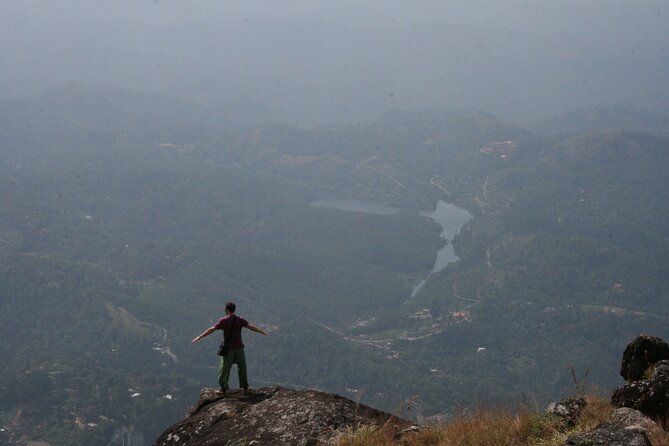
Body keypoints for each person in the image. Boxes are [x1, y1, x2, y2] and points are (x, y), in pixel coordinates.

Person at [192, 302, 267, 393]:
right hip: (239, 348)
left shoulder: (224, 321)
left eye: (225, 309)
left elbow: (211, 329)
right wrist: (261, 331)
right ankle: (245, 387)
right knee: (242, 367)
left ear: (227, 309)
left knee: (224, 369)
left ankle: (224, 388)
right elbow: (251, 327)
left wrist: (200, 337)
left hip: (229, 349)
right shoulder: (240, 320)